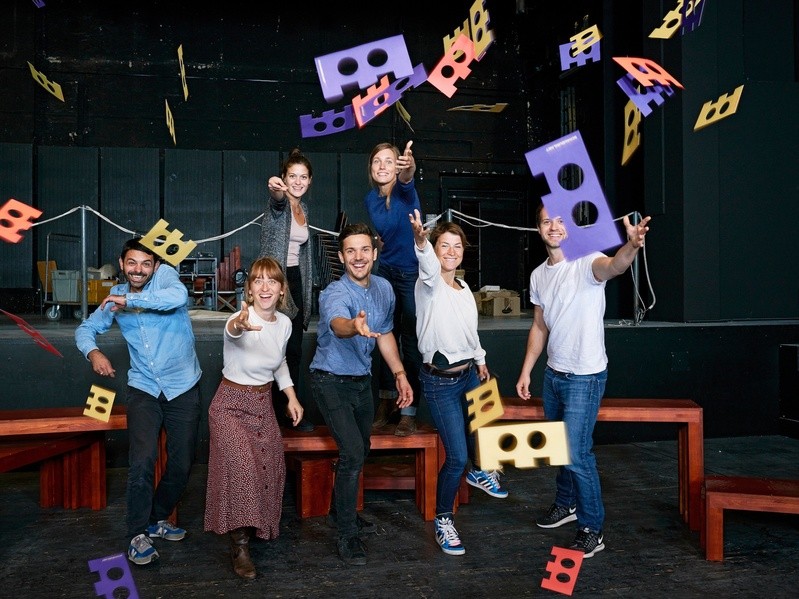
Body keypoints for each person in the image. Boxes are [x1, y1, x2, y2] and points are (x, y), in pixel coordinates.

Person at [515, 204, 651, 558]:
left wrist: (632, 246)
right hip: (554, 373)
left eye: (561, 221)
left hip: (584, 376)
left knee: (577, 452)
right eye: (547, 221)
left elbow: (614, 266)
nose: (554, 227)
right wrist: (527, 369)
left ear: (571, 228)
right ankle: (566, 503)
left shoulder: (586, 260)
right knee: (560, 448)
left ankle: (592, 528)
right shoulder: (539, 275)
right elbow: (539, 326)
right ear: (538, 229)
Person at [75, 237, 202, 566]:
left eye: (146, 264)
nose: (138, 269)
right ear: (122, 264)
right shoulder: (114, 297)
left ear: (155, 266)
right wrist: (93, 352)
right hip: (144, 387)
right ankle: (137, 534)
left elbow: (178, 297)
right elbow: (86, 329)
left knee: (182, 463)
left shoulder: (165, 279)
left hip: (182, 386)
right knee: (142, 461)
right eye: (132, 263)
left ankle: (157, 518)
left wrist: (128, 300)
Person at [308, 222, 413, 566]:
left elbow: (385, 335)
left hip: (360, 381)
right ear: (341, 257)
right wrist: (354, 326)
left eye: (364, 249)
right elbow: (339, 325)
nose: (358, 257)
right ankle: (347, 534)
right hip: (329, 381)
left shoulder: (384, 288)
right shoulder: (334, 292)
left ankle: (339, 512)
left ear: (374, 253)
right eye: (350, 251)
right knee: (352, 452)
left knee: (362, 448)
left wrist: (399, 375)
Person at [409, 209, 508, 556]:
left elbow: (470, 331)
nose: (450, 252)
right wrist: (421, 241)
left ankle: (480, 470)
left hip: (468, 373)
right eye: (444, 246)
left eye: (457, 247)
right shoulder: (429, 284)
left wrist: (480, 361)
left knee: (489, 409)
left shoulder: (464, 288)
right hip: (440, 383)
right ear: (435, 250)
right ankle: (443, 520)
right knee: (456, 457)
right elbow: (427, 263)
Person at [204, 257, 303, 580]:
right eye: (258, 281)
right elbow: (233, 332)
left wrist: (291, 396)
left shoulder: (285, 324)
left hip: (262, 403)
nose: (265, 287)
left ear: (282, 289)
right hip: (229, 406)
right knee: (243, 471)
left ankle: (256, 526)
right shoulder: (239, 318)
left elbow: (279, 363)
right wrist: (240, 325)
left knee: (270, 465)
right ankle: (240, 547)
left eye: (271, 281)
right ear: (249, 289)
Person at [364, 140, 423, 436]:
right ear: (371, 168)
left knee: (410, 345)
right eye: (377, 161)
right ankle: (387, 401)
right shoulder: (370, 199)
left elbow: (407, 177)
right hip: (386, 272)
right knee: (384, 337)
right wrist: (379, 244)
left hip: (411, 275)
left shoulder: (404, 190)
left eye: (389, 161)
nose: (383, 166)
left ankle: (409, 411)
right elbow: (383, 233)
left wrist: (408, 165)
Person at [258, 148, 315, 432]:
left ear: (310, 181)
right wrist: (275, 189)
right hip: (275, 280)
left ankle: (290, 412)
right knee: (273, 348)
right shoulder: (278, 206)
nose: (298, 182)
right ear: (283, 177)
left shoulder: (305, 209)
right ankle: (269, 416)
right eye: (292, 176)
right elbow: (276, 200)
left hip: (296, 280)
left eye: (303, 177)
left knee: (293, 350)